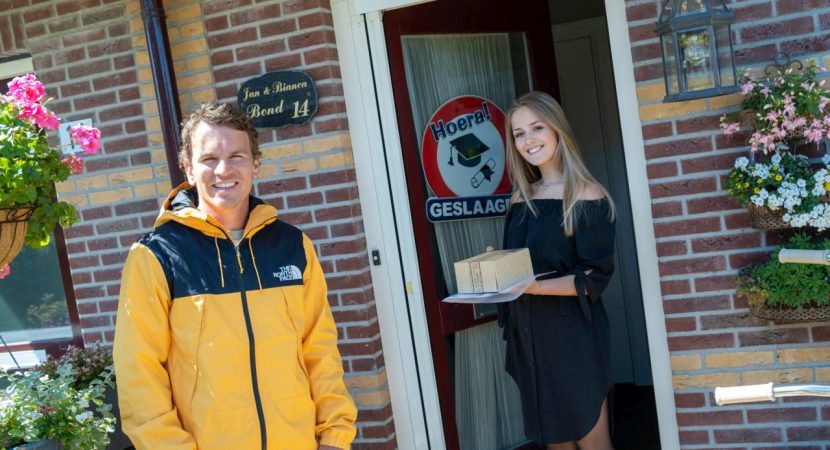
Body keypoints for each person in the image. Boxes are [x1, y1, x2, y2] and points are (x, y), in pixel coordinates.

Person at [113, 103, 357, 450]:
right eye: (209, 158)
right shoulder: (155, 256)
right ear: (189, 169)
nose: (223, 169)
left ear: (255, 164)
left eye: (236, 156)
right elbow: (139, 374)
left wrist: (335, 435)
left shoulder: (293, 246)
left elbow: (320, 349)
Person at [497, 91, 617, 450]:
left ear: (557, 130)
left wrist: (533, 286)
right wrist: (496, 265)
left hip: (574, 337)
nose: (528, 140)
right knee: (556, 444)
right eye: (519, 133)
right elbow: (519, 264)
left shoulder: (586, 195)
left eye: (537, 128)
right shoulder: (520, 198)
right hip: (530, 337)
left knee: (594, 443)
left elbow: (594, 278)